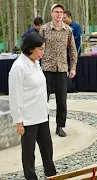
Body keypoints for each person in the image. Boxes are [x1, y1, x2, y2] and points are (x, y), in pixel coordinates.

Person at [9, 32, 56, 180]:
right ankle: (30, 177)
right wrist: (18, 121)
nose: (43, 52)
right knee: (29, 152)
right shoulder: (19, 67)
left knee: (47, 148)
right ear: (30, 48)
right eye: (40, 49)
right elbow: (15, 96)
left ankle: (51, 174)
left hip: (41, 114)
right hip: (27, 118)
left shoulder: (35, 63)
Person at [40, 3, 77, 137]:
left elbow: (72, 50)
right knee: (44, 99)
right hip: (46, 68)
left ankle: (60, 126)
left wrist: (73, 67)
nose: (59, 14)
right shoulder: (44, 29)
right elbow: (39, 48)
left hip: (62, 68)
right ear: (51, 14)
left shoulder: (68, 30)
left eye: (61, 12)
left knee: (62, 100)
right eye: (56, 11)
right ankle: (43, 126)